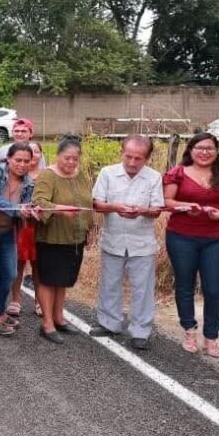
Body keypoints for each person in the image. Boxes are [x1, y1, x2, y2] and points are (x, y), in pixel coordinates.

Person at [162, 132, 219, 358]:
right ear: (190, 150)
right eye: (199, 148)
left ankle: (211, 337)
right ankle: (189, 330)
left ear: (216, 152)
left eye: (209, 148)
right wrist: (186, 206)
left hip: (216, 239)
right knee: (185, 285)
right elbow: (167, 202)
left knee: (214, 288)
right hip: (181, 236)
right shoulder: (177, 173)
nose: (204, 152)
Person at [90, 135, 165, 351]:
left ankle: (141, 331)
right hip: (113, 238)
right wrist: (115, 207)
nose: (132, 162)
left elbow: (157, 209)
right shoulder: (107, 173)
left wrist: (142, 211)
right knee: (110, 283)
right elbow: (96, 203)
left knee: (143, 288)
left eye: (138, 158)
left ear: (147, 158)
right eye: (128, 156)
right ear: (121, 153)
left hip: (142, 243)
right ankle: (109, 323)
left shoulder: (154, 177)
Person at [32, 137, 94, 345]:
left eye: (75, 158)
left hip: (75, 237)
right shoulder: (48, 175)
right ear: (58, 155)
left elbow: (87, 202)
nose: (71, 162)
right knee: (49, 280)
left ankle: (59, 317)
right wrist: (60, 209)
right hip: (52, 238)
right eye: (67, 158)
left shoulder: (80, 174)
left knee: (63, 279)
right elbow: (39, 202)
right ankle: (47, 323)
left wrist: (89, 227)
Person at [0, 143, 35, 336]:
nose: (22, 164)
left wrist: (30, 210)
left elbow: (26, 206)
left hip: (8, 232)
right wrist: (18, 209)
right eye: (18, 160)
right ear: (8, 159)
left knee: (10, 275)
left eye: (26, 161)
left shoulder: (29, 182)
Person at [9, 140, 45, 316]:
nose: (33, 155)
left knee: (39, 265)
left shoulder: (47, 174)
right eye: (30, 152)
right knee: (18, 263)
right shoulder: (17, 174)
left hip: (40, 226)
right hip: (20, 225)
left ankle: (40, 301)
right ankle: (15, 299)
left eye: (36, 151)